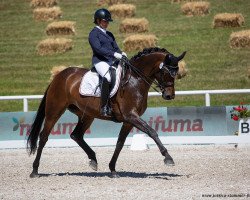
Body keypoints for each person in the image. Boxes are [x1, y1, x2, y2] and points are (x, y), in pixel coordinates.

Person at [88, 8, 127, 116]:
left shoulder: (109, 34)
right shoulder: (93, 34)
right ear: (98, 20)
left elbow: (115, 48)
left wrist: (122, 53)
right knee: (108, 77)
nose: (106, 24)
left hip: (111, 61)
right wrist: (114, 54)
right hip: (100, 61)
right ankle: (104, 106)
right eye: (105, 21)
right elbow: (98, 49)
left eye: (107, 22)